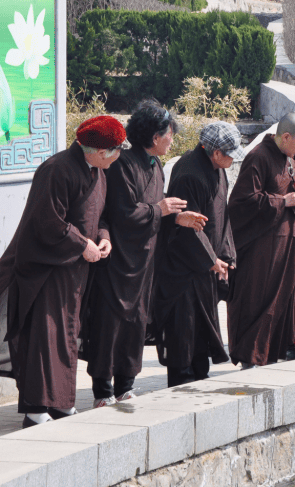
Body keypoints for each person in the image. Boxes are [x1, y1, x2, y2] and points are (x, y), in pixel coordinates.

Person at [0, 116, 126, 428]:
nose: (118, 157)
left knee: (66, 337)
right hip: (44, 271)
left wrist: (104, 238)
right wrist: (81, 244)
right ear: (99, 151)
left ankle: (61, 404)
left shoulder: (98, 172)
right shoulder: (56, 169)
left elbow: (102, 215)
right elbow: (48, 222)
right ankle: (35, 410)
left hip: (75, 273)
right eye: (116, 150)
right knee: (43, 339)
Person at [85, 101, 206, 408]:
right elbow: (122, 213)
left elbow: (155, 211)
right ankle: (103, 389)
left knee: (136, 323)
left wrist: (177, 217)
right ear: (155, 137)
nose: (171, 141)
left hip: (145, 262)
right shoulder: (123, 165)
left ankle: (126, 383)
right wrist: (159, 209)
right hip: (118, 261)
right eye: (169, 135)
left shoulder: (156, 167)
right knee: (109, 323)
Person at [153, 122, 244, 386]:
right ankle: (182, 382)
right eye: (229, 153)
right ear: (216, 152)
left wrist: (225, 256)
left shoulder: (216, 169)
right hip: (183, 270)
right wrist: (210, 259)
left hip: (205, 267)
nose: (231, 159)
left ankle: (199, 377)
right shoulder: (190, 173)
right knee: (184, 330)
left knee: (201, 331)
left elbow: (221, 216)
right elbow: (188, 226)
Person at [227, 113, 295, 368]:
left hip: (286, 242)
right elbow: (241, 202)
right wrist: (281, 201)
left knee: (281, 298)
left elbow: (287, 191)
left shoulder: (287, 159)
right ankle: (249, 357)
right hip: (262, 246)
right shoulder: (259, 157)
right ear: (285, 137)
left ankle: (268, 354)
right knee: (258, 298)